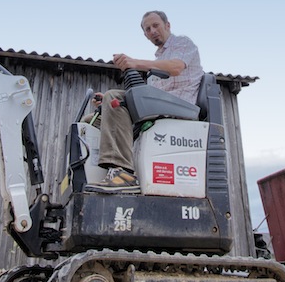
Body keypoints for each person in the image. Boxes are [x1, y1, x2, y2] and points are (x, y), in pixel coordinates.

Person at [84, 10, 204, 193]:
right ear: (145, 34)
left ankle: (123, 173)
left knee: (115, 97)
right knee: (91, 120)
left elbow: (176, 67)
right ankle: (101, 174)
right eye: (148, 29)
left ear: (167, 25)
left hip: (181, 107)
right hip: (160, 106)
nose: (152, 31)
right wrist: (107, 104)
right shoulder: (158, 59)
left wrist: (135, 63)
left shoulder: (182, 43)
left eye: (156, 25)